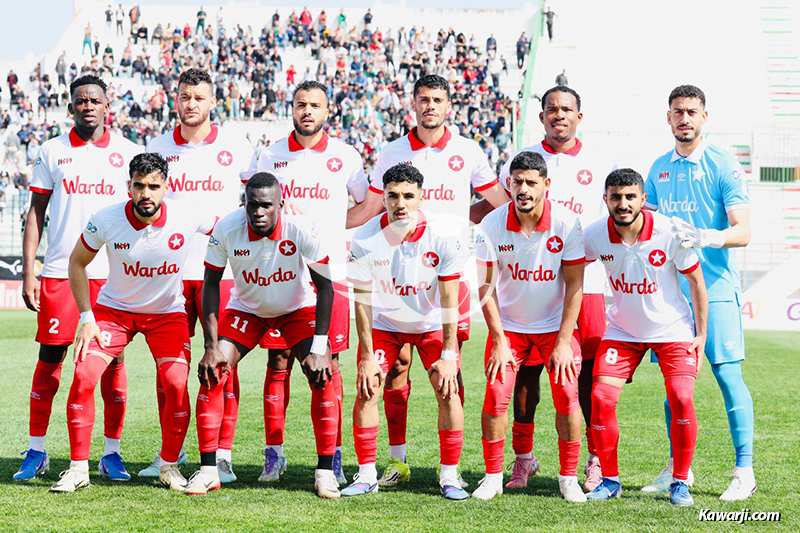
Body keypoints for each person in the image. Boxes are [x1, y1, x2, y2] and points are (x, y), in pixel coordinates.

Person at [357, 74, 509, 488]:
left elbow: (497, 205)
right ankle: (396, 460)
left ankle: (450, 471)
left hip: (445, 275)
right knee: (395, 370)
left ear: (448, 107)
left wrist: (465, 226)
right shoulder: (391, 150)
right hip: (397, 276)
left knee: (448, 375)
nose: (429, 106)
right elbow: (373, 208)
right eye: (423, 99)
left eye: (437, 100)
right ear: (413, 103)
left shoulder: (467, 151)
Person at [52, 152, 217, 493]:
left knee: (175, 385)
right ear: (128, 186)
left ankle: (169, 465)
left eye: (154, 186)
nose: (146, 194)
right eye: (139, 186)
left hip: (167, 315)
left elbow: (231, 225)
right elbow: (77, 263)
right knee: (83, 375)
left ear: (165, 187)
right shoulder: (107, 219)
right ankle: (78, 468)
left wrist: (282, 210)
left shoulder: (187, 214)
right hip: (114, 312)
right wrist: (87, 317)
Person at [184, 172, 340, 498]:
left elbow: (325, 288)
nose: (258, 212)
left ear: (280, 205)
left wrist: (321, 347)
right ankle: (209, 470)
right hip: (247, 311)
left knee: (322, 374)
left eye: (266, 206)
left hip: (297, 310)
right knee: (213, 371)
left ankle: (325, 472)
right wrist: (211, 346)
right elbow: (210, 284)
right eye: (251, 205)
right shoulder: (226, 229)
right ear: (244, 204)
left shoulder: (302, 229)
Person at [15, 75, 139, 483]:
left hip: (114, 275)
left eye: (95, 100)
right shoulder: (52, 150)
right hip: (60, 274)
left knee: (111, 363)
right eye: (80, 101)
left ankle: (111, 454)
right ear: (71, 108)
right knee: (50, 359)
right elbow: (35, 212)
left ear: (108, 107)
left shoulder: (128, 153)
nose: (88, 106)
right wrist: (30, 269)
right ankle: (36, 450)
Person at [245, 80, 369, 486]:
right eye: (300, 104)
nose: (307, 111)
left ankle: (331, 456)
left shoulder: (345, 155)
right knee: (277, 362)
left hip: (327, 275)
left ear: (327, 110)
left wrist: (331, 226)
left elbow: (365, 203)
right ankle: (274, 454)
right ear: (292, 108)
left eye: (315, 105)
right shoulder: (271, 153)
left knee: (329, 365)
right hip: (279, 273)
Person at [494, 86, 617, 491]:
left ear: (579, 116)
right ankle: (524, 460)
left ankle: (594, 460)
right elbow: (498, 212)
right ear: (542, 116)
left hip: (587, 284)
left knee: (585, 377)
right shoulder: (523, 159)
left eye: (566, 109)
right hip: (533, 285)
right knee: (525, 375)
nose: (558, 115)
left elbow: (612, 218)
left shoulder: (599, 161)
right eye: (551, 109)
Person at [642, 85, 756, 501]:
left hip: (717, 290)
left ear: (705, 117)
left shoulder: (723, 164)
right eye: (677, 112)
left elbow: (744, 232)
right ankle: (678, 468)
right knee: (675, 387)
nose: (684, 118)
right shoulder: (657, 168)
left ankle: (744, 469)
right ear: (667, 118)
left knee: (728, 376)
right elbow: (648, 225)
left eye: (692, 111)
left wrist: (709, 236)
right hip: (672, 296)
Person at [140, 68, 253, 481]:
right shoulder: (156, 147)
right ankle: (171, 453)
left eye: (199, 97)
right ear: (176, 99)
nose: (191, 103)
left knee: (223, 363)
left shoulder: (236, 147)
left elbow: (255, 199)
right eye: (185, 96)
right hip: (167, 273)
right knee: (170, 368)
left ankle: (221, 454)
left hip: (219, 272)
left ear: (211, 102)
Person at [341, 163, 469, 501]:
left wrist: (448, 355)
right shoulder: (365, 237)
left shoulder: (442, 236)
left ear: (421, 197)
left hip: (430, 322)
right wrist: (367, 358)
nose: (401, 203)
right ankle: (367, 474)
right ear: (382, 198)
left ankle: (450, 476)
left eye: (408, 196)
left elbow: (449, 301)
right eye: (393, 196)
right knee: (368, 388)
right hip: (385, 321)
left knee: (448, 390)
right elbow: (362, 303)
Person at [584, 168, 707, 507]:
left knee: (682, 398)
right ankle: (610, 480)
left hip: (673, 330)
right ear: (606, 199)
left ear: (642, 200)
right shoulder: (594, 235)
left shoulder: (669, 232)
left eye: (629, 197)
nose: (622, 204)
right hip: (623, 330)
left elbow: (696, 282)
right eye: (615, 197)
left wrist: (701, 335)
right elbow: (569, 271)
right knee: (601, 399)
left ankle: (680, 482)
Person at [471, 151, 586, 502]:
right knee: (495, 396)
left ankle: (568, 478)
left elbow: (574, 286)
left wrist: (564, 341)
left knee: (567, 396)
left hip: (555, 328)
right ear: (508, 183)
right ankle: (492, 476)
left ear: (545, 186)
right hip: (510, 330)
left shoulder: (567, 223)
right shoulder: (490, 224)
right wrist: (499, 339)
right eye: (517, 181)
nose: (523, 188)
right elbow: (485, 288)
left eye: (531, 182)